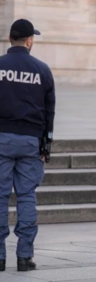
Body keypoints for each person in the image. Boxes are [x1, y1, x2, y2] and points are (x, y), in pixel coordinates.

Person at [0, 19, 56, 272]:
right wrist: (47, 144)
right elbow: (49, 112)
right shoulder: (42, 70)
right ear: (29, 40)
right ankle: (24, 256)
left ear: (10, 39)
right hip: (31, 141)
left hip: (1, 138)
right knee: (26, 197)